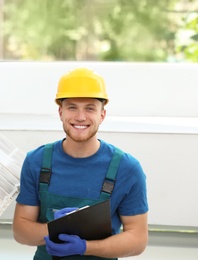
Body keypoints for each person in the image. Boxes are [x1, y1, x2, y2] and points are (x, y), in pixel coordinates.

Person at [12, 67, 148, 260]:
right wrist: (53, 230)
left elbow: (137, 239)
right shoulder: (37, 161)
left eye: (90, 108)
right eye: (72, 107)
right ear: (60, 112)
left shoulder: (127, 169)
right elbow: (20, 231)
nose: (80, 117)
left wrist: (85, 247)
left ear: (102, 115)